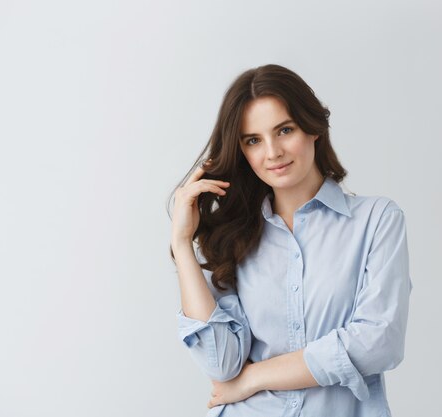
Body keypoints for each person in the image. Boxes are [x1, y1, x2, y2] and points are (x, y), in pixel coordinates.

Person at [168, 63, 413, 417]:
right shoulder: (234, 236)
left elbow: (379, 343)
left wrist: (253, 379)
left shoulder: (376, 221)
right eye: (253, 140)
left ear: (313, 127)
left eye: (284, 130)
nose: (272, 152)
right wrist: (181, 243)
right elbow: (221, 364)